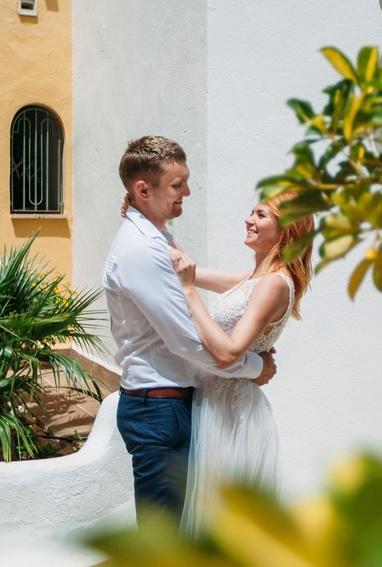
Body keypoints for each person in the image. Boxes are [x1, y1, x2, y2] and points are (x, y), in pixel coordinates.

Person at [103, 135, 277, 527]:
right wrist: (254, 367)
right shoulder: (141, 249)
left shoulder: (154, 237)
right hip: (159, 410)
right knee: (162, 540)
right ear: (144, 189)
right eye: (177, 186)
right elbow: (186, 340)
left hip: (173, 406)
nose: (188, 193)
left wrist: (136, 208)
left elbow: (230, 281)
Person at [168, 191, 314, 537]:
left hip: (232, 412)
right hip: (216, 401)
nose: (249, 220)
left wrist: (190, 293)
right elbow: (189, 268)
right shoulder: (253, 279)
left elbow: (229, 352)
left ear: (286, 231)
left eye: (260, 215)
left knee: (222, 519)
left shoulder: (275, 285)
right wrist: (152, 218)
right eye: (251, 212)